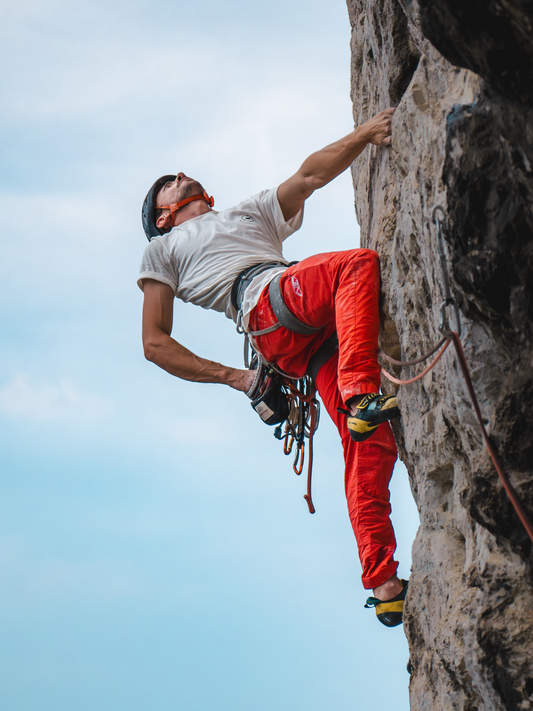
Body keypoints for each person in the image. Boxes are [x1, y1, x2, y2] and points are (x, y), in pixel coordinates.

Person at [138, 107, 408, 626]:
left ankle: (384, 581)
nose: (176, 176)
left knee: (369, 444)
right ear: (162, 217)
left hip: (307, 335)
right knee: (355, 265)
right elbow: (154, 342)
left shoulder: (245, 212)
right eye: (165, 186)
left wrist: (367, 133)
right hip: (267, 304)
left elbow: (309, 177)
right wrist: (237, 378)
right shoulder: (163, 250)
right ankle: (359, 394)